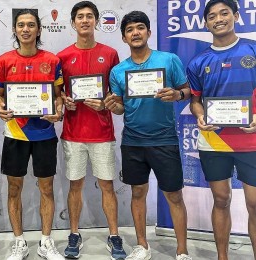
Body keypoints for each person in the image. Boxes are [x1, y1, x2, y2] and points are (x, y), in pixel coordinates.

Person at [105, 10, 192, 260]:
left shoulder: (169, 59)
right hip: (133, 142)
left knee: (174, 195)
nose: (136, 33)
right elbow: (121, 107)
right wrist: (114, 107)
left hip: (164, 140)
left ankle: (182, 250)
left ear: (149, 32)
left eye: (140, 28)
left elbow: (186, 90)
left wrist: (178, 95)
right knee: (137, 193)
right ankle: (142, 245)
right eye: (130, 30)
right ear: (124, 37)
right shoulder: (118, 71)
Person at [56, 1, 126, 259]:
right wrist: (64, 100)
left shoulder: (110, 54)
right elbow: (57, 94)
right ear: (73, 23)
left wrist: (107, 100)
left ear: (96, 21)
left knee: (107, 185)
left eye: (89, 16)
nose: (85, 21)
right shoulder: (62, 57)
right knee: (75, 185)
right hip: (73, 134)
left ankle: (114, 235)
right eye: (80, 17)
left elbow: (116, 95)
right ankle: (74, 234)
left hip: (102, 133)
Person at [187, 0, 256, 259]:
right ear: (205, 23)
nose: (219, 19)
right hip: (213, 141)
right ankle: (222, 256)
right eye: (212, 16)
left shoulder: (253, 50)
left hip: (252, 142)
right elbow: (195, 100)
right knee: (221, 200)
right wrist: (201, 116)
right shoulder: (198, 61)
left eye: (224, 13)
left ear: (236, 16)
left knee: (254, 204)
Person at [0, 9, 64, 260]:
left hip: (44, 133)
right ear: (14, 30)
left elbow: (59, 98)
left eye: (31, 25)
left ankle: (46, 242)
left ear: (38, 30)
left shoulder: (53, 61)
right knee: (14, 188)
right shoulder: (3, 61)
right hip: (16, 133)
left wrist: (58, 112)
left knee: (46, 188)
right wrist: (0, 108)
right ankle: (19, 241)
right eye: (21, 25)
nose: (25, 29)